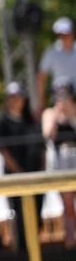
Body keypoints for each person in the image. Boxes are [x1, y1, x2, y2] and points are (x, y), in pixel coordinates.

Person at [0, 82, 45, 250]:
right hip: (16, 178)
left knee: (37, 214)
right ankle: (23, 251)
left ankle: (34, 247)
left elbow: (42, 147)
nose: (15, 101)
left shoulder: (31, 121)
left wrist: (41, 171)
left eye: (18, 97)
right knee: (20, 215)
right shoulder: (2, 123)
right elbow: (2, 149)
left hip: (36, 177)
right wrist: (18, 172)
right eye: (12, 97)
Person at [42, 84, 76, 247]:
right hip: (62, 159)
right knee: (68, 204)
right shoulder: (50, 113)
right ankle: (71, 241)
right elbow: (49, 135)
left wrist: (71, 113)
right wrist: (57, 115)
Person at [38, 17, 76, 109]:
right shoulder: (51, 52)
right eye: (60, 35)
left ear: (72, 33)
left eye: (66, 34)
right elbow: (41, 77)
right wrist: (41, 101)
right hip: (59, 98)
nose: (63, 37)